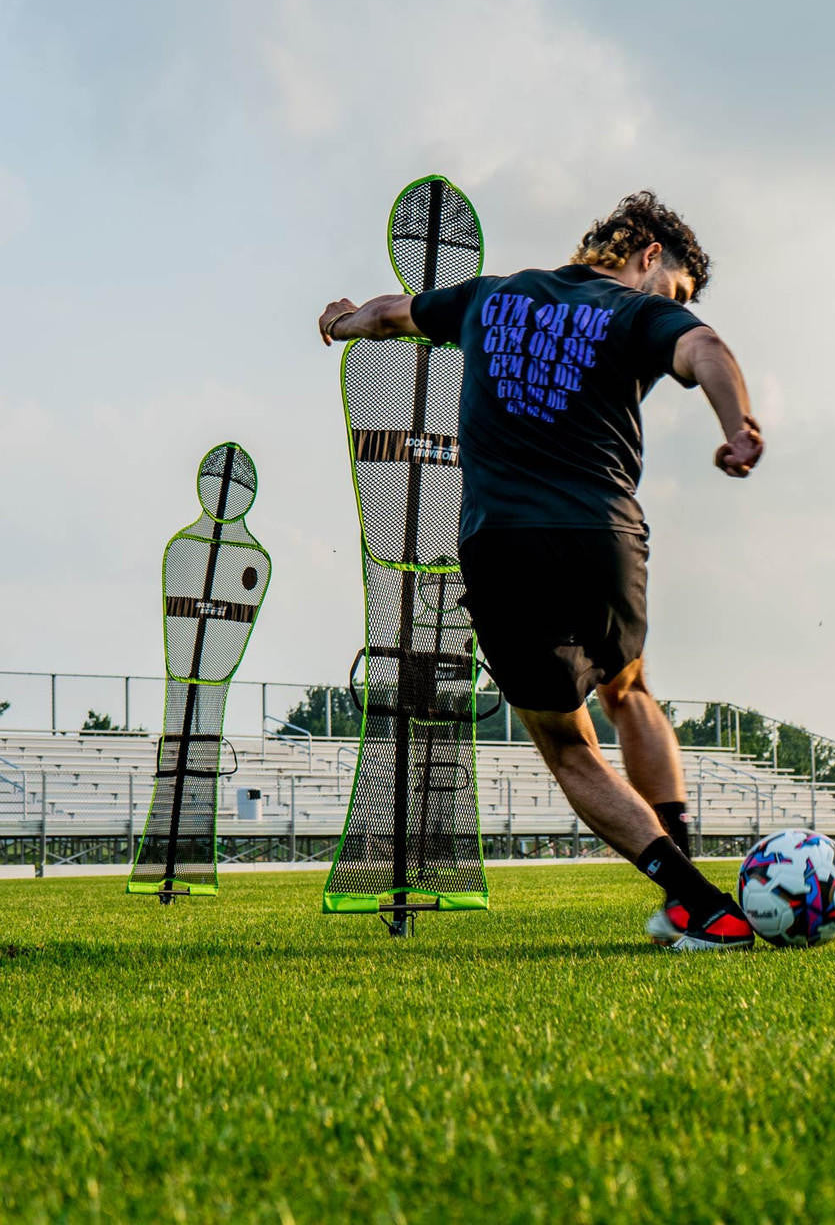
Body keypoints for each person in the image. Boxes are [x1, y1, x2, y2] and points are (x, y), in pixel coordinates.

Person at [318, 191, 764, 950]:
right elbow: (708, 352)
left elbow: (396, 314)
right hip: (603, 534)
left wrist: (347, 317)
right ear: (648, 255)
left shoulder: (488, 298)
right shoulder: (633, 312)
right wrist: (740, 427)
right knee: (630, 691)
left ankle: (696, 902)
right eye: (679, 288)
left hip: (502, 546)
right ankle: (694, 898)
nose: (675, 302)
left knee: (566, 745)